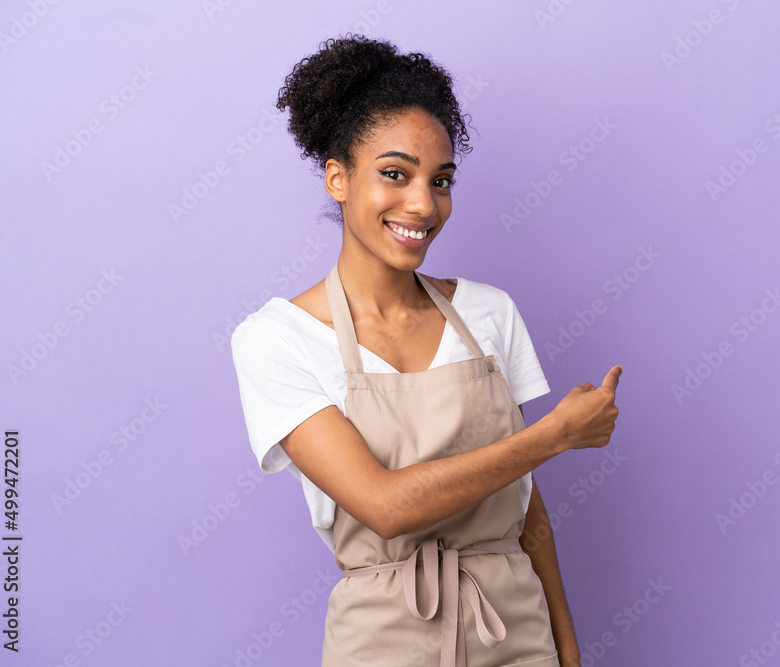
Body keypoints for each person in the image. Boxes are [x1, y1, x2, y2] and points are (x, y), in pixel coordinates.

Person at [230, 34, 622, 667]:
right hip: (383, 642)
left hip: (515, 633)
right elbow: (385, 507)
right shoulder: (277, 340)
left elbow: (527, 512)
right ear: (337, 176)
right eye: (395, 174)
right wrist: (554, 436)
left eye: (441, 181)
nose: (423, 204)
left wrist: (568, 652)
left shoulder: (490, 313)